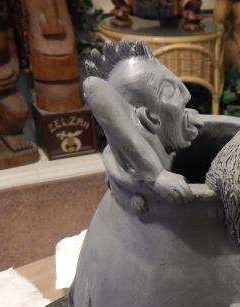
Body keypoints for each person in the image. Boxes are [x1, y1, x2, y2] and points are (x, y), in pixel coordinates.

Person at [84, 40, 204, 205]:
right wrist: (156, 176)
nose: (186, 94)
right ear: (151, 118)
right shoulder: (138, 156)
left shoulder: (163, 131)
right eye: (169, 90)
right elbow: (93, 86)